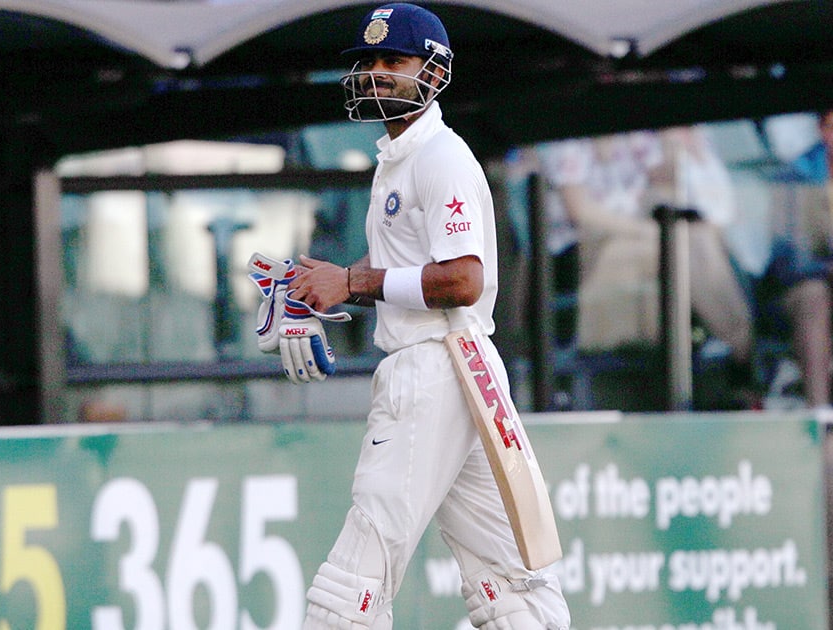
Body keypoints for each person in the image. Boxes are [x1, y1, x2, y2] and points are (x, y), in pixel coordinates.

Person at [271, 4, 570, 628]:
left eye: (393, 62)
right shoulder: (400, 158)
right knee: (515, 590)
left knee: (351, 587)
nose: (377, 74)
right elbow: (404, 266)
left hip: (434, 367)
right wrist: (324, 284)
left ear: (433, 70)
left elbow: (462, 280)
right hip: (465, 373)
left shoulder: (439, 157)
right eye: (368, 63)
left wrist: (352, 280)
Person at [538, 131, 761, 407]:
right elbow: (580, 211)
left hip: (643, 235)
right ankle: (739, 352)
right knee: (673, 247)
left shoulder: (637, 136)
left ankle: (735, 343)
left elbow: (669, 189)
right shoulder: (570, 140)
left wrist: (674, 146)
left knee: (698, 238)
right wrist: (645, 231)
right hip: (582, 248)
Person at [659, 125, 832, 409]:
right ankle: (822, 416)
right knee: (813, 296)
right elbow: (790, 259)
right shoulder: (799, 175)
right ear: (824, 129)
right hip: (792, 289)